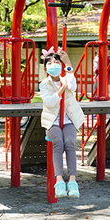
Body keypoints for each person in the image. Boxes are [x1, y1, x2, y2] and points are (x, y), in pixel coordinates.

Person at [40, 48, 85, 198]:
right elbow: (49, 102)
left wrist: (68, 62)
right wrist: (61, 90)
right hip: (52, 121)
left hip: (68, 119)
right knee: (58, 142)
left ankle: (72, 181)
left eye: (56, 62)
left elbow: (73, 86)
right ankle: (59, 181)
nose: (54, 65)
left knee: (70, 143)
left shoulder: (67, 78)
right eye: (50, 63)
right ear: (45, 67)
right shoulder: (44, 84)